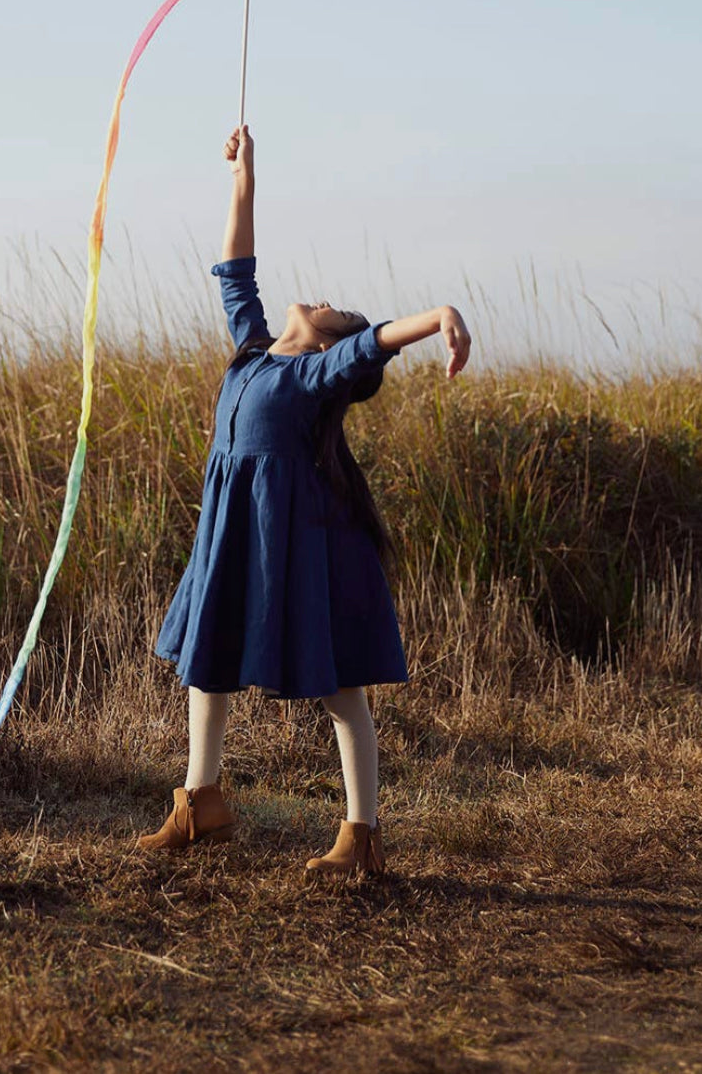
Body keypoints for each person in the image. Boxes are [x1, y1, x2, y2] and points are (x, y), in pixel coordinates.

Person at [138, 123, 471, 878]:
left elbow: (374, 343)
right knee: (205, 662)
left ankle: (362, 837)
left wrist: (439, 317)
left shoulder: (313, 377)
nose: (324, 300)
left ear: (326, 346)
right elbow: (235, 271)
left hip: (285, 544)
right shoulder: (254, 352)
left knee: (336, 684)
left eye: (336, 311)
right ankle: (202, 802)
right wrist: (244, 178)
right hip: (230, 537)